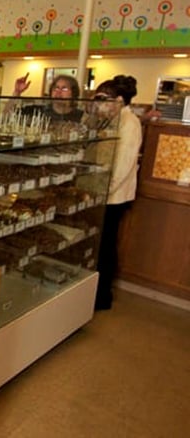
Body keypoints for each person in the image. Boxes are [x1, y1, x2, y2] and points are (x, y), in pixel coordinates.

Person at [94, 75, 143, 310]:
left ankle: (102, 295)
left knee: (105, 245)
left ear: (120, 100)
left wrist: (103, 191)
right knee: (101, 243)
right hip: (104, 192)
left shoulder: (130, 123)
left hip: (113, 197)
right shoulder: (112, 120)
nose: (99, 105)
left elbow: (123, 165)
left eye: (103, 100)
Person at [13, 74, 83, 122]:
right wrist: (17, 92)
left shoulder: (82, 117)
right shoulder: (37, 111)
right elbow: (8, 115)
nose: (58, 92)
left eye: (64, 89)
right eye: (56, 88)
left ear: (73, 93)